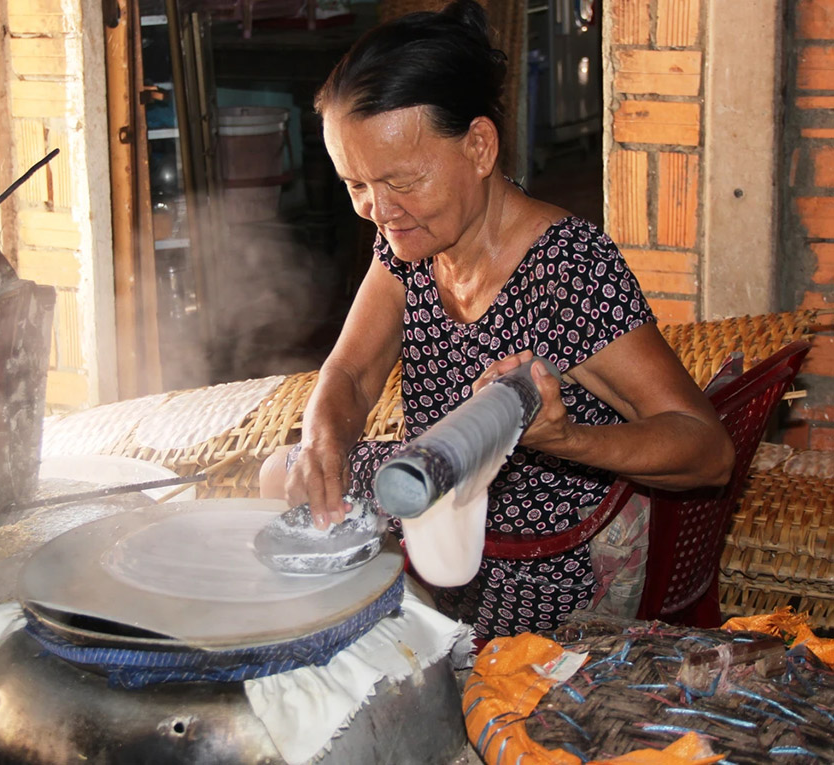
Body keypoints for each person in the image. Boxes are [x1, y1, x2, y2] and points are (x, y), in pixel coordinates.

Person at [260, 0, 735, 640]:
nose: (379, 209)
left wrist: (567, 441)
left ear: (480, 146)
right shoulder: (410, 246)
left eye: (401, 181)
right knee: (281, 475)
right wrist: (324, 444)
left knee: (405, 663)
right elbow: (350, 371)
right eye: (357, 185)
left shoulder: (568, 270)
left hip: (548, 553)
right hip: (443, 507)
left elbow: (707, 452)